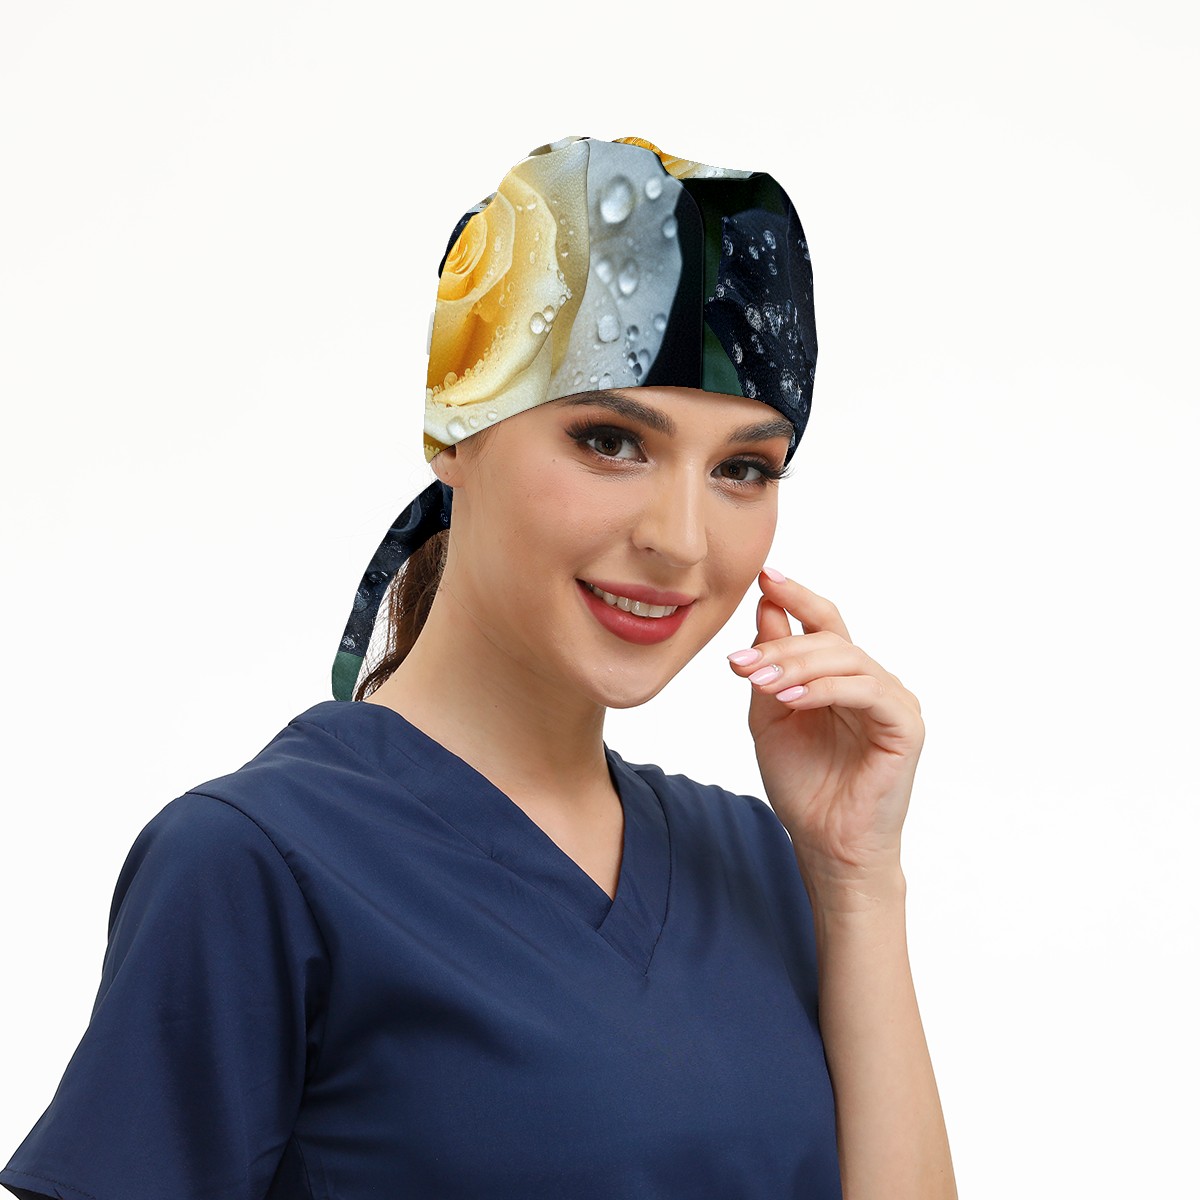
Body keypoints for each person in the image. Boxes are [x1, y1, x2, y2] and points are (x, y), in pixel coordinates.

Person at [1, 134, 957, 1199]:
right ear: (457, 427)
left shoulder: (751, 859)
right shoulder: (254, 865)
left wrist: (856, 879)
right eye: (611, 442)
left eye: (742, 468)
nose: (682, 540)